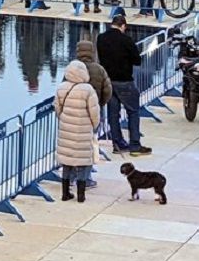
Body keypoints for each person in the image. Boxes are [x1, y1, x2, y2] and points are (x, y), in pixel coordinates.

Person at [96, 13, 150, 156]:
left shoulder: (101, 38)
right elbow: (137, 60)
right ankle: (135, 145)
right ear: (123, 26)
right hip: (124, 81)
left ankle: (117, 144)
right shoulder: (126, 40)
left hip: (108, 81)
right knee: (133, 112)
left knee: (113, 114)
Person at [55, 59, 100, 203]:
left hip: (66, 129)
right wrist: (94, 125)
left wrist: (63, 119)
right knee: (83, 162)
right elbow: (94, 112)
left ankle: (65, 193)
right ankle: (81, 195)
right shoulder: (88, 89)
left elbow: (57, 108)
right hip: (83, 129)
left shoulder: (62, 87)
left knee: (67, 162)